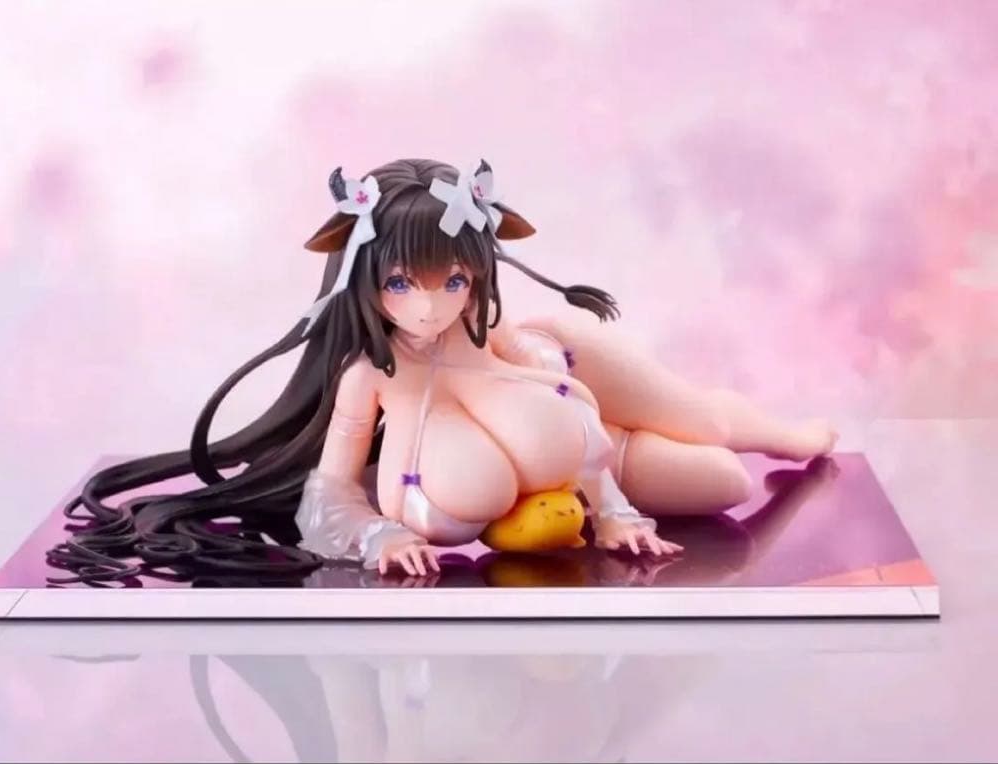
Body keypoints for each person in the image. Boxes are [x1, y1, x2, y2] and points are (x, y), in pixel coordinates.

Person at [46, 158, 836, 584]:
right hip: (549, 476)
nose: (428, 306)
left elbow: (569, 406)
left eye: (452, 281)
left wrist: (613, 510)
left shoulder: (496, 335)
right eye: (400, 284)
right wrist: (378, 533)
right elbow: (330, 492)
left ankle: (790, 434)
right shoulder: (372, 376)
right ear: (363, 280)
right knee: (720, 480)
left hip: (575, 398)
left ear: (477, 274)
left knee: (707, 432)